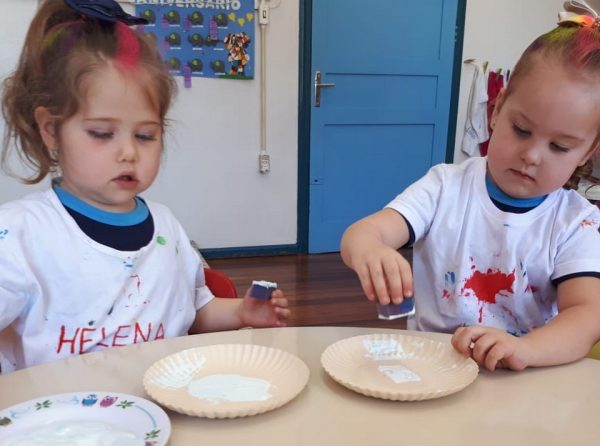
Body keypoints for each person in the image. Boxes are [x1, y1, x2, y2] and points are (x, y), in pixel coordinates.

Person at [0, 0, 289, 373]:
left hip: (163, 403)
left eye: (145, 135)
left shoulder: (167, 228)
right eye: (102, 133)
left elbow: (193, 310)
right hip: (58, 410)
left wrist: (242, 312)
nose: (129, 152)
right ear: (51, 130)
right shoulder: (19, 235)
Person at [341, 16, 600, 371]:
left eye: (559, 147)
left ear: (587, 153)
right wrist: (368, 248)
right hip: (432, 365)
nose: (532, 156)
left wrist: (526, 349)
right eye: (521, 130)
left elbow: (587, 315)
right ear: (497, 109)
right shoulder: (444, 186)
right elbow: (365, 232)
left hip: (520, 376)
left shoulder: (576, 223)